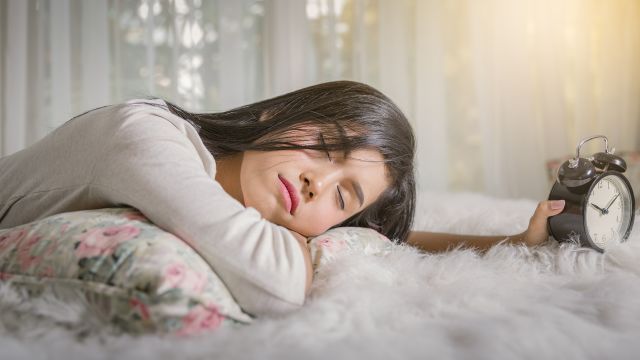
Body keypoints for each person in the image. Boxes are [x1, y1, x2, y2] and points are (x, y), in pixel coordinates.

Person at [0, 80, 564, 317]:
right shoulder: (143, 136)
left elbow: (386, 239)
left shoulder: (230, 196)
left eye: (345, 195)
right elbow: (272, 279)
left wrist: (511, 242)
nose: (318, 181)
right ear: (275, 117)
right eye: (323, 145)